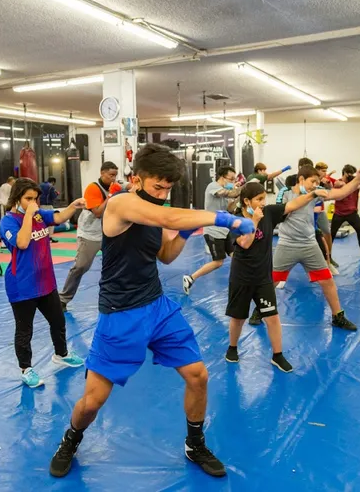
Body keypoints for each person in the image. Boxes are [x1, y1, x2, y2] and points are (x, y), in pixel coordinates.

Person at [49, 143, 255, 479]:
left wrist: (186, 233)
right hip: (120, 314)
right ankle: (70, 440)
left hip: (157, 306)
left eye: (168, 188)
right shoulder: (121, 203)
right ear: (138, 179)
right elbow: (169, 216)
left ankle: (195, 444)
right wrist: (226, 219)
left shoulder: (154, 211)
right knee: (92, 401)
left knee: (198, 376)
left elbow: (166, 255)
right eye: (157, 186)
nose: (163, 193)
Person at [225, 182, 327, 372]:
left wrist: (313, 194)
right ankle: (232, 347)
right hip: (242, 278)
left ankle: (277, 355)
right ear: (247, 201)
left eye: (264, 198)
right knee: (238, 318)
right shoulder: (236, 222)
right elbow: (245, 244)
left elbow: (293, 205)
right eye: (259, 199)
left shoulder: (269, 213)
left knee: (272, 317)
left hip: (263, 277)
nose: (264, 203)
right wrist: (254, 221)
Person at [255, 165, 360, 331]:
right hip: (288, 244)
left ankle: (338, 316)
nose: (315, 184)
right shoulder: (285, 192)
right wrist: (312, 194)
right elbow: (285, 211)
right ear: (301, 179)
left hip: (309, 244)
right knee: (272, 280)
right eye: (312, 181)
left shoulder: (316, 191)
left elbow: (339, 193)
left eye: (317, 181)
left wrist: (358, 179)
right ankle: (259, 310)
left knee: (327, 280)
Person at [0, 178, 86, 388]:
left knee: (58, 321)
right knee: (24, 330)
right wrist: (28, 214)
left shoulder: (38, 215)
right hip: (22, 286)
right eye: (28, 199)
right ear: (17, 198)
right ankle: (26, 369)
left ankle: (61, 354)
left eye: (35, 199)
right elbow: (22, 242)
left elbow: (57, 217)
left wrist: (73, 206)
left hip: (45, 282)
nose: (33, 202)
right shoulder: (8, 221)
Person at [59, 161, 122, 312]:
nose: (113, 178)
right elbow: (98, 212)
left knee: (119, 265)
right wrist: (112, 195)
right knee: (81, 266)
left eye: (115, 175)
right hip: (90, 234)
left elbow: (131, 187)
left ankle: (118, 298)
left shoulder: (116, 184)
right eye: (110, 175)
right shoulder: (93, 188)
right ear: (102, 173)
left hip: (109, 232)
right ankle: (62, 299)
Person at [182, 165, 241, 294]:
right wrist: (241, 189)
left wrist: (236, 199)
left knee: (235, 256)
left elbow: (230, 209)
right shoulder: (213, 187)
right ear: (222, 177)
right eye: (231, 179)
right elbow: (226, 193)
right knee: (218, 262)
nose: (232, 182)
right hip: (213, 231)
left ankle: (243, 280)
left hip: (224, 230)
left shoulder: (226, 192)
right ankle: (190, 278)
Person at [39, 176, 59, 243]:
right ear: (53, 181)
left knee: (41, 222)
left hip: (40, 206)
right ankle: (49, 237)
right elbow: (53, 196)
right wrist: (56, 194)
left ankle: (42, 237)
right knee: (51, 221)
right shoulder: (51, 187)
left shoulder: (40, 185)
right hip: (48, 206)